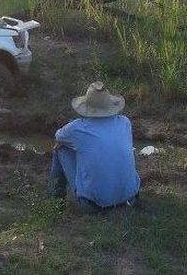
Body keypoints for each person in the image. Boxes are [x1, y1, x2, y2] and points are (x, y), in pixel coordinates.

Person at [48, 82, 141, 212]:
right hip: (130, 199)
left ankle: (55, 199)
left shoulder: (77, 128)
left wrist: (68, 142)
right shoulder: (125, 122)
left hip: (94, 206)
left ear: (86, 107)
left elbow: (58, 136)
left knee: (61, 149)